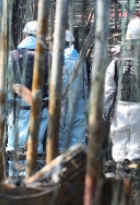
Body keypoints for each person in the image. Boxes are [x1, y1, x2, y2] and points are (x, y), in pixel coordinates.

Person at [104, 18, 140, 162]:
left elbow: (109, 87)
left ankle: (119, 171)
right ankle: (133, 173)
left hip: (120, 107)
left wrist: (106, 109)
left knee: (119, 143)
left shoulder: (117, 60)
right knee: (138, 144)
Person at [7, 20, 50, 174]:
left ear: (25, 35)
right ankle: (31, 178)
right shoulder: (48, 56)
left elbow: (5, 82)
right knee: (35, 145)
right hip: (41, 107)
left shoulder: (12, 55)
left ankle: (14, 178)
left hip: (17, 107)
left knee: (14, 145)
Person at [59, 30, 88, 152]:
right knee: (78, 139)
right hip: (80, 104)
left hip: (62, 105)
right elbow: (85, 84)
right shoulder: (81, 61)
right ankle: (77, 165)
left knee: (61, 140)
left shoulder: (58, 60)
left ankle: (61, 165)